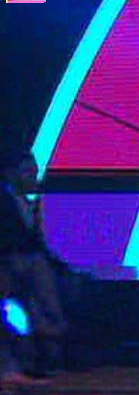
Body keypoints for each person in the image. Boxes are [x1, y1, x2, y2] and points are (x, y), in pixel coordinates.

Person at [0, 147, 67, 382]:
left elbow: (37, 240)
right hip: (11, 263)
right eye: (28, 172)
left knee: (45, 308)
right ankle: (20, 362)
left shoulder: (33, 203)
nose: (33, 178)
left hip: (33, 262)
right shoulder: (5, 202)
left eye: (35, 172)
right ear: (12, 173)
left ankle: (43, 357)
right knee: (20, 313)